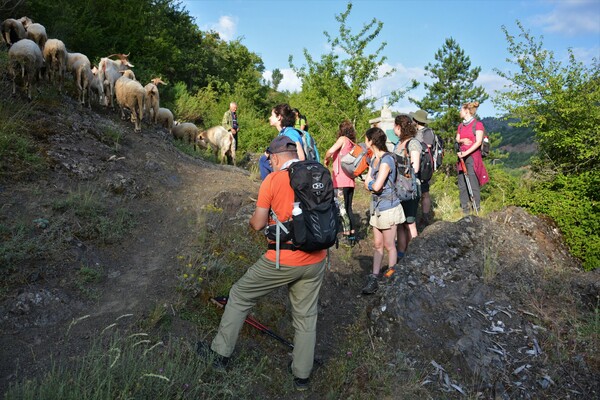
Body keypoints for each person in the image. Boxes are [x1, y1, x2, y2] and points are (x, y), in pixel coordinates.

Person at [198, 135, 327, 392]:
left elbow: (257, 224)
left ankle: (219, 354)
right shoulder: (319, 173)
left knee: (240, 294)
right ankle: (302, 377)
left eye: (269, 157)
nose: (269, 160)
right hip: (317, 258)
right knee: (305, 317)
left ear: (277, 156)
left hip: (283, 258)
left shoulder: (273, 179)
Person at [362, 127, 405, 294]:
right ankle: (375, 276)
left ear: (371, 141)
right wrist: (371, 184)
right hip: (378, 207)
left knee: (389, 245)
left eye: (366, 139)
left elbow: (376, 185)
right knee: (377, 244)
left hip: (389, 207)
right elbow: (369, 183)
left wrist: (371, 184)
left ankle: (390, 276)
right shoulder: (374, 159)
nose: (365, 142)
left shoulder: (386, 161)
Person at [393, 114, 421, 260]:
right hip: (398, 189)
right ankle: (401, 252)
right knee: (400, 223)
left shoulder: (413, 143)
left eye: (394, 126)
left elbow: (415, 167)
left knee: (410, 223)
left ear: (399, 127)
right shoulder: (398, 143)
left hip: (410, 189)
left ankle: (414, 253)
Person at [324, 120, 357, 242]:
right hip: (350, 180)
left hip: (340, 181)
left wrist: (326, 158)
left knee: (342, 209)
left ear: (341, 130)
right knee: (348, 208)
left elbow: (330, 151)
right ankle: (352, 236)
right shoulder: (352, 143)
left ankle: (346, 235)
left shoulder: (343, 139)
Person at [456, 101, 489, 215]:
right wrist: (462, 141)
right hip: (461, 156)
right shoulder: (460, 126)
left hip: (473, 157)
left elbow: (478, 142)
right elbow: (457, 138)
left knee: (473, 183)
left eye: (461, 110)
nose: (459, 112)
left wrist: (465, 153)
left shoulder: (477, 124)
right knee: (462, 184)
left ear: (466, 111)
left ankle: (476, 210)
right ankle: (465, 211)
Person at [259, 103, 306, 180]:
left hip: (292, 172)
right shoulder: (283, 133)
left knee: (263, 161)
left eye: (272, 115)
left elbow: (301, 158)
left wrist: (282, 166)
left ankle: (269, 188)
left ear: (279, 117)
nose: (269, 118)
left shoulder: (290, 133)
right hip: (287, 170)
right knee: (264, 159)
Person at [409, 109, 435, 225]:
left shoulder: (427, 132)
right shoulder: (415, 132)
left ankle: (425, 217)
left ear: (417, 120)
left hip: (424, 167)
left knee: (425, 192)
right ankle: (416, 215)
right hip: (417, 164)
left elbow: (428, 146)